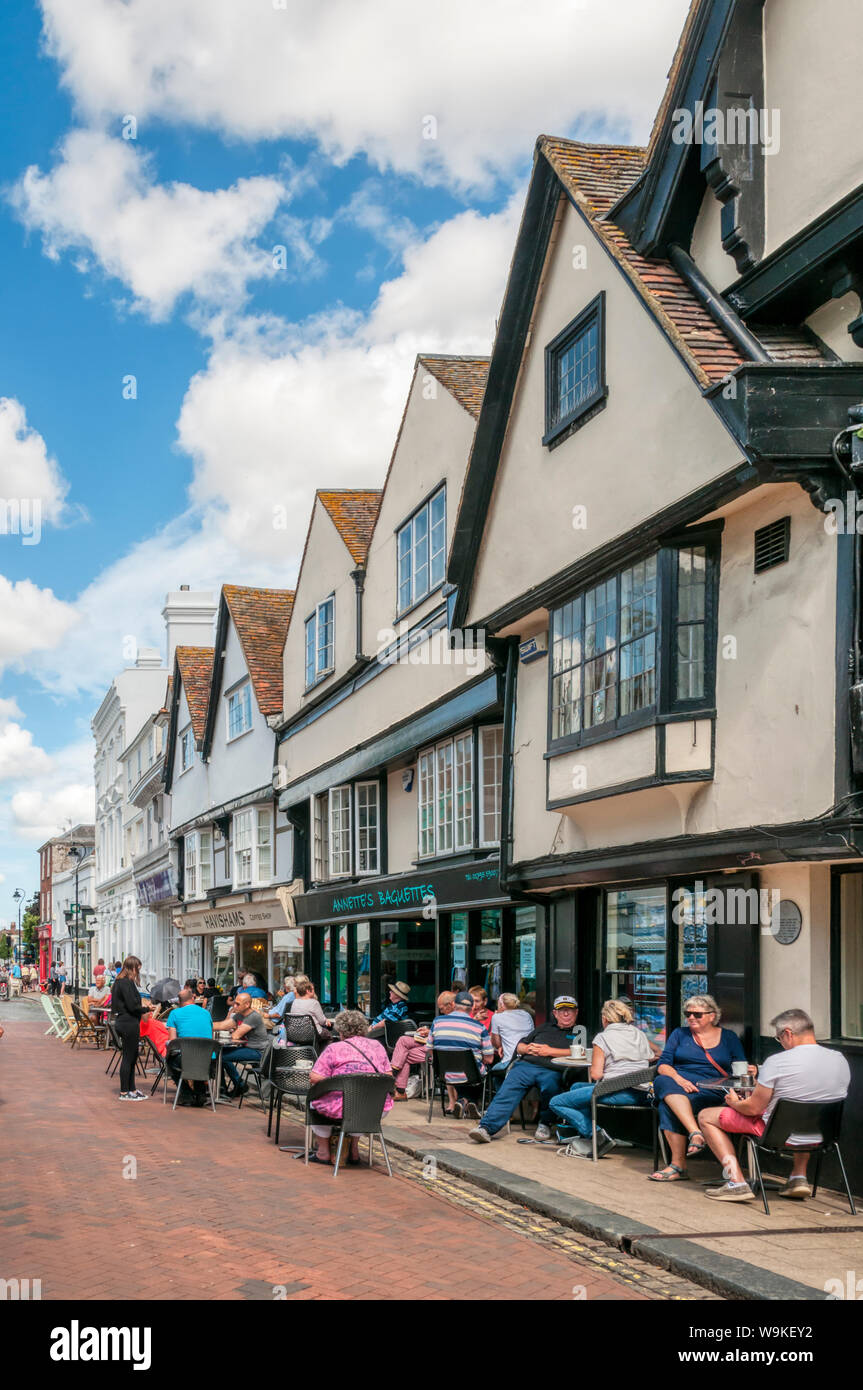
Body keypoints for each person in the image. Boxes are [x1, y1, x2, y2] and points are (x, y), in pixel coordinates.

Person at [698, 1007, 852, 1202]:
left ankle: (736, 1181)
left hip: (777, 1135)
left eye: (779, 1039)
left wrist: (735, 1103)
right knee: (804, 1115)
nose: (780, 1044)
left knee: (706, 1116)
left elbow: (754, 1108)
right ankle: (798, 1177)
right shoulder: (839, 1059)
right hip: (823, 1134)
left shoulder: (777, 1062)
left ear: (787, 1033)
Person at [648, 994, 750, 1182]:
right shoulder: (680, 1034)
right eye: (688, 1014)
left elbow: (740, 1066)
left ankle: (678, 1166)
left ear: (712, 1016)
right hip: (680, 1086)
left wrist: (751, 1071)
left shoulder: (728, 1037)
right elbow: (663, 1064)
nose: (691, 1018)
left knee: (666, 1104)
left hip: (712, 1089)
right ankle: (695, 1133)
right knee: (663, 1081)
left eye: (697, 1014)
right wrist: (679, 1079)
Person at [549, 999, 654, 1157]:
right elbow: (656, 1054)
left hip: (617, 1092)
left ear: (605, 1018)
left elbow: (596, 1075)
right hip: (643, 1093)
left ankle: (598, 1137)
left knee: (556, 1102)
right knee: (576, 1087)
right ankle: (587, 1137)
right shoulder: (639, 1034)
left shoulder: (603, 1037)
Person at [468, 995, 580, 1143]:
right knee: (508, 1088)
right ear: (555, 1013)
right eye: (562, 1010)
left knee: (551, 1086)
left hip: (553, 1069)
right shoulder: (544, 1028)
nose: (566, 1014)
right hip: (526, 1065)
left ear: (576, 1012)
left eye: (570, 1010)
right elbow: (520, 1045)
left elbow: (582, 1051)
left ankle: (545, 1123)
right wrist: (526, 1048)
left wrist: (549, 1051)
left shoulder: (580, 1030)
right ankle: (486, 1128)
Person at [303, 1009, 393, 1166]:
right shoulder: (377, 1046)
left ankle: (323, 1152)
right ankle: (354, 1150)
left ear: (341, 1031)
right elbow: (389, 1076)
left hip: (342, 1107)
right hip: (375, 1107)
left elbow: (314, 1077)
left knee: (314, 1100)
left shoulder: (334, 1048)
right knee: (358, 1106)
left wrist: (335, 1082)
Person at [426, 990, 494, 1117]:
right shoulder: (479, 1027)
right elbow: (489, 1058)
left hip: (444, 1073)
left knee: (462, 1069)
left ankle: (463, 1101)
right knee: (481, 1069)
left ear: (453, 1004)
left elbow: (429, 1049)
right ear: (472, 1007)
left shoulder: (437, 1022)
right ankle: (471, 1102)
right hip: (471, 1074)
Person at [390, 992, 455, 1099]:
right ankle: (395, 1077)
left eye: (442, 1009)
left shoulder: (459, 1018)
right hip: (430, 1043)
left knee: (404, 1055)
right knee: (403, 1040)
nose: (441, 1012)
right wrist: (428, 1032)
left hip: (437, 1050)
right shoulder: (442, 1019)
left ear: (451, 1004)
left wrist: (431, 1034)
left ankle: (398, 1086)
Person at [111, 956, 155, 1102]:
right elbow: (132, 1005)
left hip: (124, 1021)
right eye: (138, 969)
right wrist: (146, 1008)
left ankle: (132, 1089)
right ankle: (124, 1091)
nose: (138, 973)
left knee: (132, 1056)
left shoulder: (119, 982)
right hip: (128, 1022)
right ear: (133, 968)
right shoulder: (126, 983)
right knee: (128, 1057)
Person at [164, 988, 215, 1106]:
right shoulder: (206, 1013)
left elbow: (172, 1042)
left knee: (170, 1060)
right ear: (193, 998)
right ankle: (200, 1093)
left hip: (187, 1059)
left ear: (179, 1001)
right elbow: (210, 1034)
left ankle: (186, 1094)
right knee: (197, 1057)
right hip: (209, 1060)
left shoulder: (175, 1014)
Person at [219, 992, 269, 1095]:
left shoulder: (253, 1016)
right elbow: (223, 1025)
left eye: (237, 1004)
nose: (234, 1006)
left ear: (247, 1005)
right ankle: (223, 1087)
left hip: (258, 1051)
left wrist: (233, 1031)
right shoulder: (239, 1015)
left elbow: (235, 1036)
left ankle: (239, 1085)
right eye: (234, 1003)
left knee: (221, 1056)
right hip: (248, 1048)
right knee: (219, 1052)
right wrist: (206, 1025)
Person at [489, 993, 534, 1071]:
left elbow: (496, 1044)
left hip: (510, 1062)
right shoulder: (527, 1015)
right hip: (528, 1059)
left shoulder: (497, 1017)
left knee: (492, 1071)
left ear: (501, 1005)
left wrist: (501, 1046)